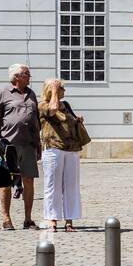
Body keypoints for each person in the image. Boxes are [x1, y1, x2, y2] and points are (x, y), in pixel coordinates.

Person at [0, 63, 40, 230]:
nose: (29, 77)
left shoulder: (31, 94)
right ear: (17, 76)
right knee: (6, 181)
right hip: (8, 145)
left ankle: (28, 219)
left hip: (29, 144)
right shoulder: (3, 93)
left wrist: (38, 143)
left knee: (29, 180)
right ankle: (6, 218)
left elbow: (36, 120)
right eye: (27, 73)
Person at [38, 78, 85, 232]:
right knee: (53, 186)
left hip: (71, 148)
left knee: (71, 186)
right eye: (61, 88)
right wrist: (53, 91)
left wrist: (77, 120)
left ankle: (69, 221)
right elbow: (52, 109)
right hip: (53, 148)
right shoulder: (43, 105)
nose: (64, 90)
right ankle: (52, 220)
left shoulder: (66, 105)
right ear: (52, 90)